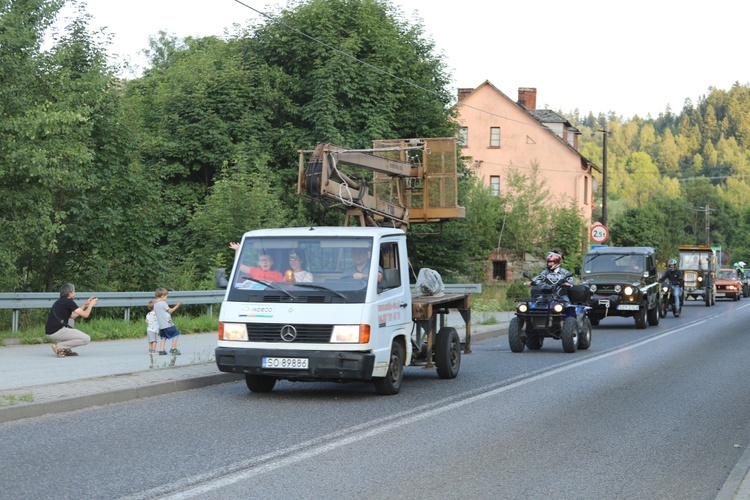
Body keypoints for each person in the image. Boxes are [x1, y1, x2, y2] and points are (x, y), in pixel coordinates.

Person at [45, 283, 98, 358]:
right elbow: (86, 315)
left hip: (50, 331)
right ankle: (59, 346)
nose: (74, 294)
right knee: (86, 339)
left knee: (71, 321)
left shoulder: (59, 302)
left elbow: (73, 316)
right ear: (69, 293)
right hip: (57, 332)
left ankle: (66, 349)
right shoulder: (69, 302)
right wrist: (91, 305)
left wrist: (85, 304)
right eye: (74, 292)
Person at [154, 287, 183, 356]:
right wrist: (178, 305)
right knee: (176, 334)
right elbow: (170, 311)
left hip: (161, 325)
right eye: (166, 296)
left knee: (163, 337)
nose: (166, 298)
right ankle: (173, 349)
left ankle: (161, 350)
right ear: (162, 296)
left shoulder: (155, 304)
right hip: (168, 324)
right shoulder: (163, 303)